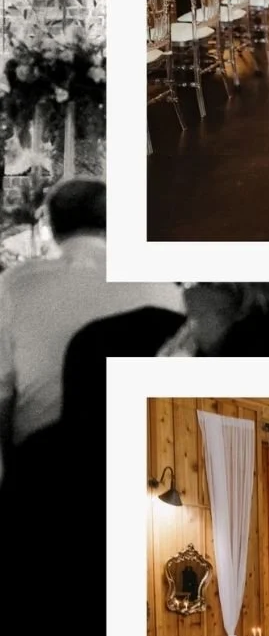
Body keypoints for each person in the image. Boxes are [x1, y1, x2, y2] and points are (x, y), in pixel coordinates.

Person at [0, 179, 183, 500]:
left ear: (52, 226)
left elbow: (2, 397)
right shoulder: (162, 283)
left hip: (46, 477)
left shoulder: (15, 285)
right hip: (147, 465)